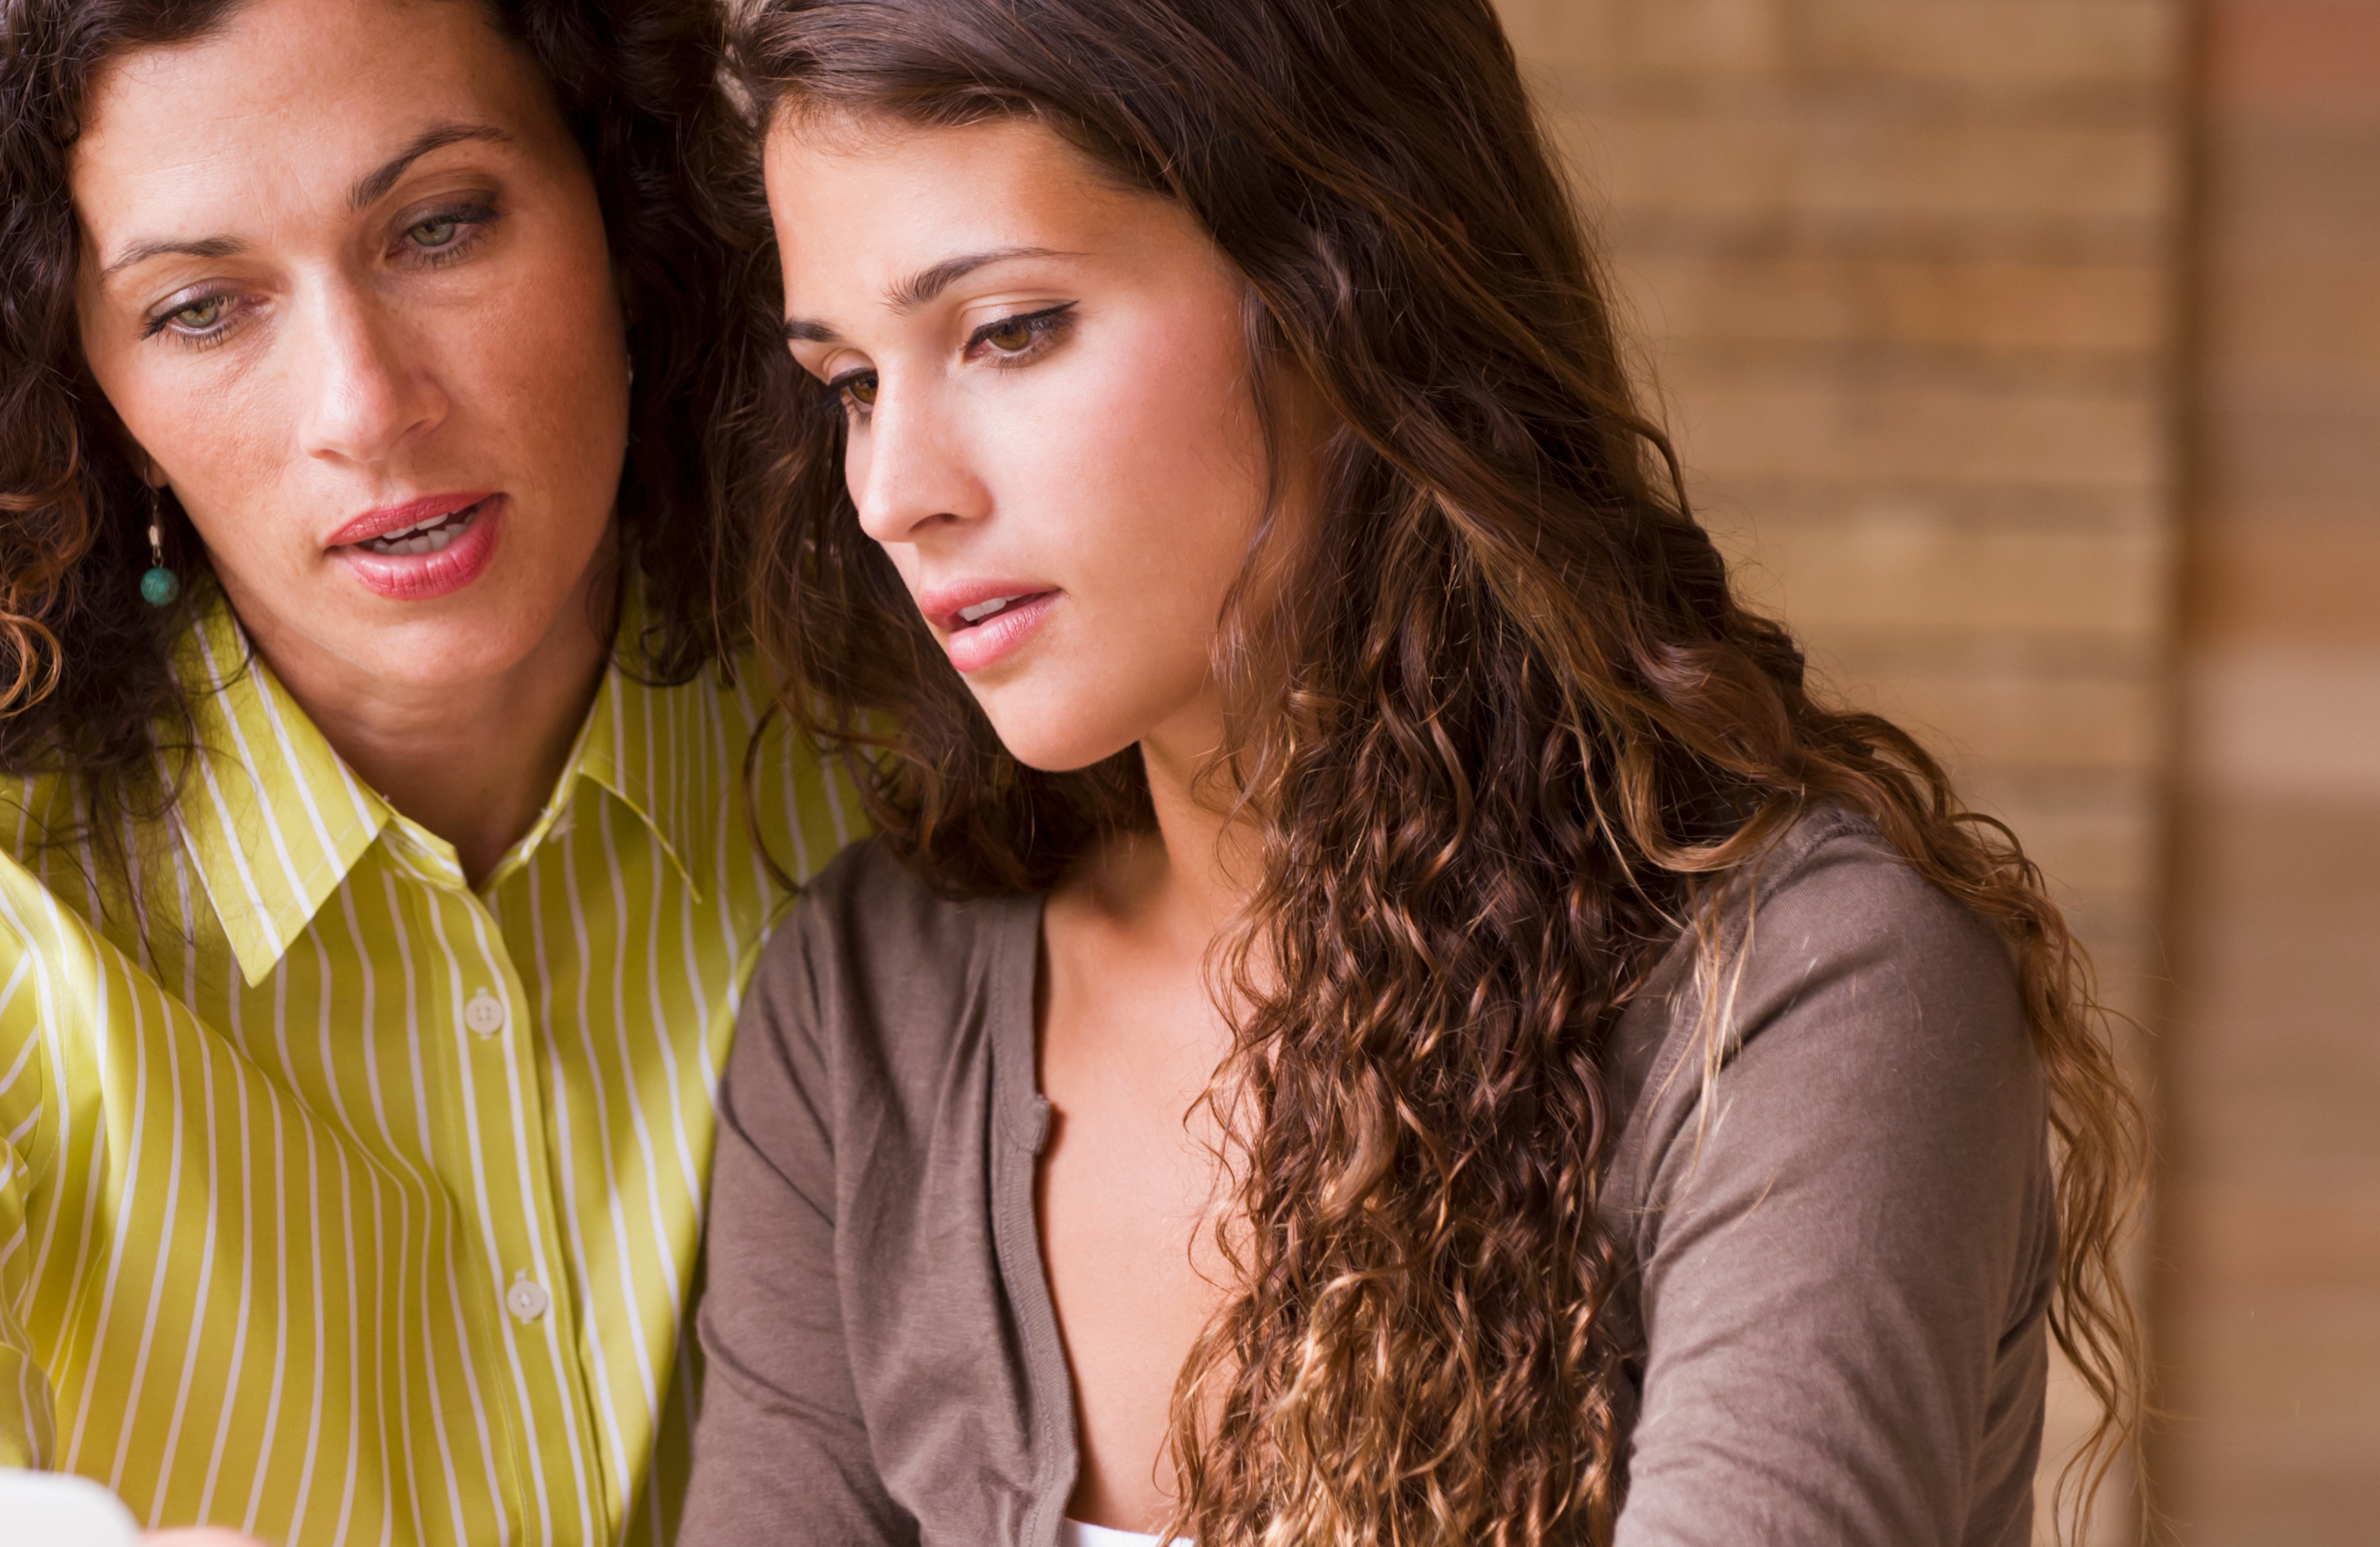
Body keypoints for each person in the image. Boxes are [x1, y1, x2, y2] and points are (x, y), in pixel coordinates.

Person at [683, 1, 2148, 1544]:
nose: (893, 492)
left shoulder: (1799, 999)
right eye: (850, 382)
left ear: (1347, 289)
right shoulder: (870, 1017)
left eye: (1009, 330)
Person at [0, 1, 858, 1541]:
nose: (366, 407)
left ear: (629, 210)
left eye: (441, 227)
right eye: (200, 310)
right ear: (73, 385)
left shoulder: (880, 722)